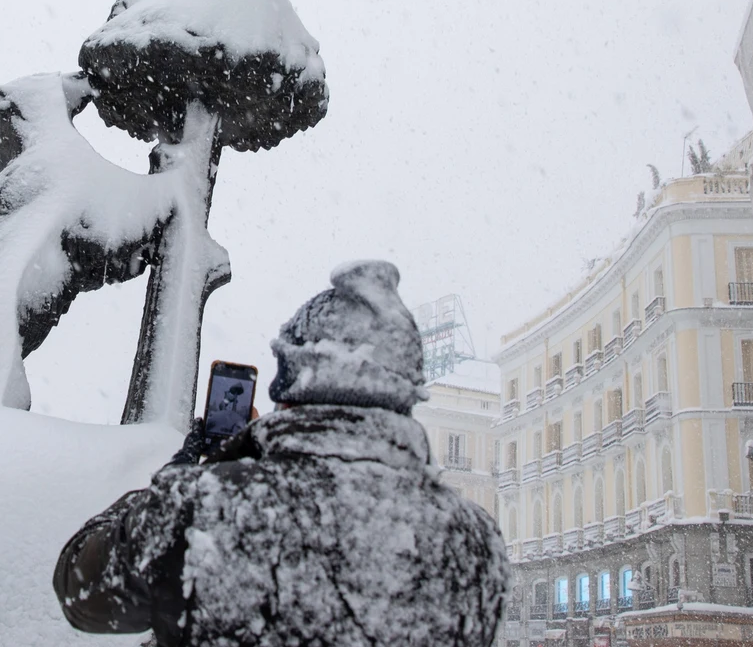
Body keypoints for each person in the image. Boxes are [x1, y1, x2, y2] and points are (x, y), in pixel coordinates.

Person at [54, 260, 509, 647]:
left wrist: (184, 477)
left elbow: (81, 591)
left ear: (290, 386)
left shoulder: (204, 508)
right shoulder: (477, 543)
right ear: (405, 393)